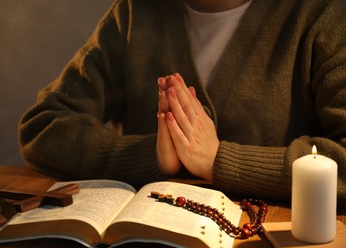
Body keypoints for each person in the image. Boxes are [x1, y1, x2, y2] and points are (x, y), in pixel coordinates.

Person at [18, 0, 346, 206]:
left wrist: (220, 159)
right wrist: (148, 156)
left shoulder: (322, 15)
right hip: (141, 240)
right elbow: (42, 127)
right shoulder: (134, 12)